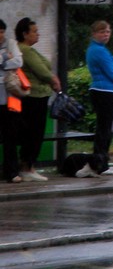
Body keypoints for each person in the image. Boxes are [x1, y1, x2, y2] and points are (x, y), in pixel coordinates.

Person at [81, 20, 113, 177]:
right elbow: (111, 72)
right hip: (105, 91)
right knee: (104, 130)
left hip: (101, 90)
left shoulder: (97, 49)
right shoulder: (99, 51)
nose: (106, 34)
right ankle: (99, 163)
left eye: (108, 31)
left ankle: (101, 162)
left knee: (104, 128)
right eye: (102, 32)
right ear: (94, 34)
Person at [15, 18, 61, 182]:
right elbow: (41, 71)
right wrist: (54, 80)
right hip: (33, 96)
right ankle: (27, 166)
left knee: (35, 132)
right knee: (33, 132)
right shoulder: (25, 50)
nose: (37, 34)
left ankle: (29, 165)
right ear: (25, 34)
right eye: (34, 31)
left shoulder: (28, 49)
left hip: (39, 95)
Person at [0, 19, 24, 183]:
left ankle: (12, 171)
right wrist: (4, 57)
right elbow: (11, 62)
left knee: (11, 134)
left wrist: (3, 61)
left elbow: (18, 61)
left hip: (10, 96)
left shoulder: (11, 43)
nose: (0, 35)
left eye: (2, 31)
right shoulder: (6, 49)